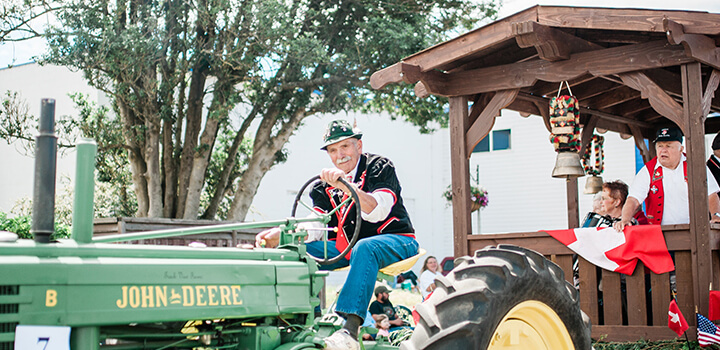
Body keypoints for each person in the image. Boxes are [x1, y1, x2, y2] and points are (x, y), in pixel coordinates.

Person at [255, 120, 418, 350]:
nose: (340, 155)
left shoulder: (379, 167)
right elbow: (315, 225)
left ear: (358, 146)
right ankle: (304, 323)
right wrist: (284, 236)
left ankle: (349, 331)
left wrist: (344, 187)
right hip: (349, 246)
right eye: (333, 150)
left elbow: (377, 210)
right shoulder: (322, 187)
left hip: (397, 241)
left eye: (345, 147)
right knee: (294, 252)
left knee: (366, 247)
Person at [613, 127, 720, 232]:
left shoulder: (695, 166)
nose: (663, 150)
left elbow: (711, 195)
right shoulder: (648, 170)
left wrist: (716, 216)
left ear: (681, 149)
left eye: (668, 146)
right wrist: (625, 219)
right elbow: (633, 199)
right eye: (660, 146)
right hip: (659, 234)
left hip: (695, 232)